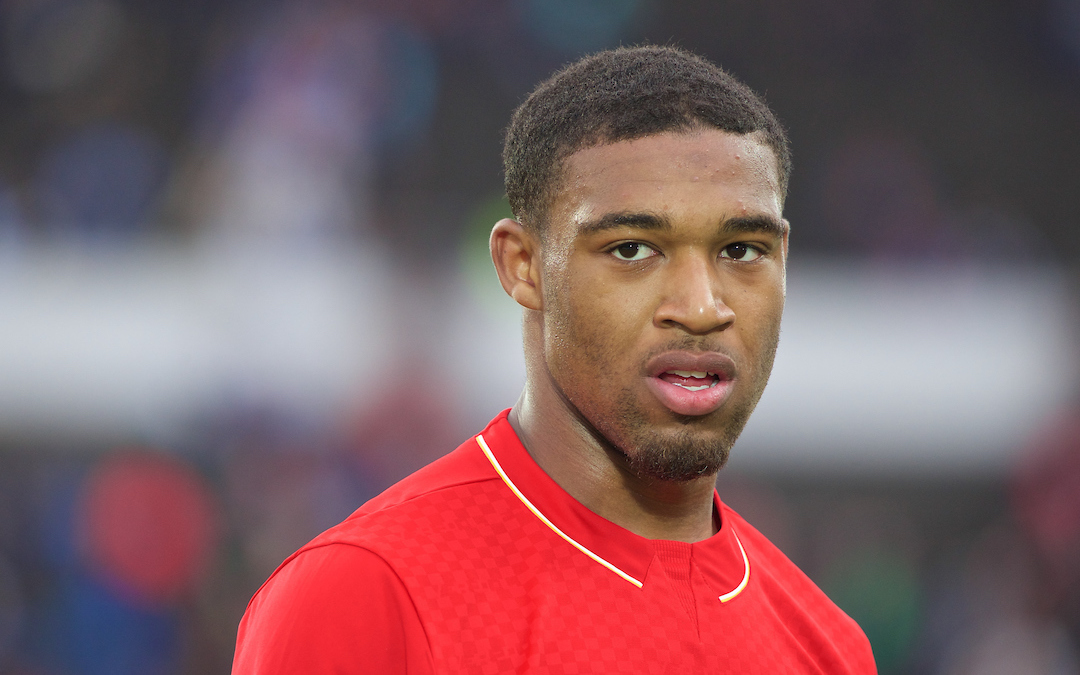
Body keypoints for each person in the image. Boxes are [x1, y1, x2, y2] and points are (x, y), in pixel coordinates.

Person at [232, 45, 877, 674]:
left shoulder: (829, 647)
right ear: (524, 266)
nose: (701, 307)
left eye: (741, 250)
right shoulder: (368, 594)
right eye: (632, 249)